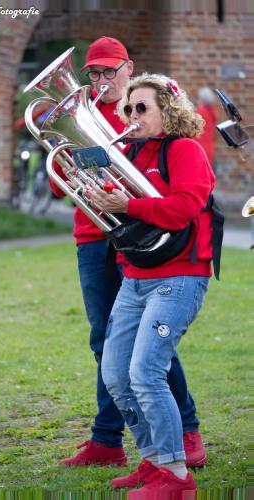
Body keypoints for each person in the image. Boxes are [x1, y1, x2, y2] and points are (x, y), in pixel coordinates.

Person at [50, 37, 206, 470]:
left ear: (128, 68)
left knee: (149, 346)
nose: (102, 80)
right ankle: (108, 440)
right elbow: (59, 186)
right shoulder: (78, 115)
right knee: (107, 341)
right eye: (94, 73)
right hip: (94, 237)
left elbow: (178, 195)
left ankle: (185, 430)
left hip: (144, 238)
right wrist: (66, 159)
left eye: (109, 71)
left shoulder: (144, 118)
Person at [87, 73, 216, 497]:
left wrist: (128, 204)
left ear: (169, 111)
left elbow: (183, 208)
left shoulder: (186, 150)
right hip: (136, 277)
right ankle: (156, 459)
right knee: (115, 375)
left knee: (145, 373)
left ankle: (177, 478)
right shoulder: (127, 151)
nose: (132, 116)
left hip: (179, 277)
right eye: (128, 108)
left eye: (142, 108)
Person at [194, 87, 218, 170]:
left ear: (202, 100)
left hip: (200, 151)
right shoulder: (211, 112)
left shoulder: (200, 112)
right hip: (210, 151)